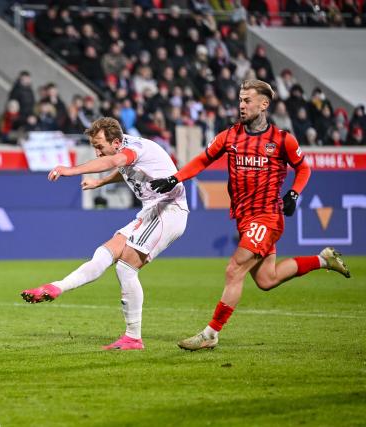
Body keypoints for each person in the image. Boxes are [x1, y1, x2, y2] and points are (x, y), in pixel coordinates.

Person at [149, 79, 351, 351]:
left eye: (247, 101)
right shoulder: (230, 136)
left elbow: (304, 169)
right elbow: (202, 160)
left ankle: (210, 334)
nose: (241, 105)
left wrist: (293, 194)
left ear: (264, 104)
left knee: (234, 269)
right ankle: (322, 259)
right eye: (240, 100)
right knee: (267, 280)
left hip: (267, 216)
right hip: (245, 218)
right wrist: (175, 179)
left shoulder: (282, 140)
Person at [21, 117, 190, 351]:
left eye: (100, 146)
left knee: (125, 267)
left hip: (169, 210)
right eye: (94, 147)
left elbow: (117, 161)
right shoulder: (126, 151)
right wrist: (100, 183)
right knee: (104, 252)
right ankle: (56, 287)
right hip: (152, 211)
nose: (98, 152)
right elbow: (124, 169)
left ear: (117, 142)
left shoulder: (132, 149)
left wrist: (70, 170)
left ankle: (133, 337)